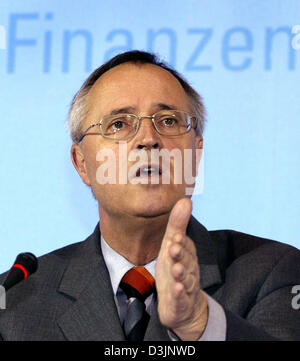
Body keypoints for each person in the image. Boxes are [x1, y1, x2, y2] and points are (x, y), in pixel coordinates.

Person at [0, 50, 299, 341]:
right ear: (82, 164)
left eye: (168, 121)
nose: (147, 139)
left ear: (195, 157)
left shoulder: (273, 272)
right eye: (119, 124)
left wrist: (200, 324)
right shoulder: (17, 298)